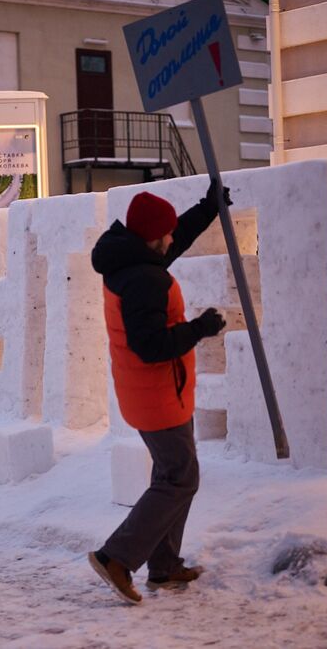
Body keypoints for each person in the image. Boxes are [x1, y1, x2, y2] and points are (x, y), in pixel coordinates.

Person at [88, 181, 230, 605]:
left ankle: (164, 566)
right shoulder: (145, 280)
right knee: (180, 477)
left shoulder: (130, 258)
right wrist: (200, 328)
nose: (171, 241)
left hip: (156, 391)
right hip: (158, 393)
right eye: (164, 236)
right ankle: (116, 557)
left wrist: (209, 207)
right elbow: (150, 347)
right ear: (151, 240)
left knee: (172, 474)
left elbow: (175, 236)